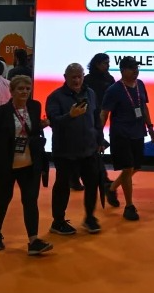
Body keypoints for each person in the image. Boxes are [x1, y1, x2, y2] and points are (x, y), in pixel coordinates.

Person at [0, 75, 53, 255]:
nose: (25, 92)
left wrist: (41, 126)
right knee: (2, 199)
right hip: (3, 165)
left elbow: (31, 131)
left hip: (29, 163)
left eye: (27, 89)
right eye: (20, 89)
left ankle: (33, 240)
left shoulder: (34, 107)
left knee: (30, 201)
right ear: (11, 91)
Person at [45, 63, 103, 235]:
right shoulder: (55, 97)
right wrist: (70, 116)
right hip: (65, 151)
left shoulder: (90, 93)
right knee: (62, 186)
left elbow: (96, 118)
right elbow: (53, 121)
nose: (77, 80)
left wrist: (100, 140)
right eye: (73, 77)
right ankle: (58, 222)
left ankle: (90, 218)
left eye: (80, 76)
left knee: (92, 184)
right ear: (65, 77)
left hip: (89, 149)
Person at [100, 56, 154, 221]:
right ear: (122, 70)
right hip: (121, 134)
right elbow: (104, 113)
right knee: (127, 167)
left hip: (138, 132)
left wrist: (150, 127)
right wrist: (99, 135)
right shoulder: (114, 90)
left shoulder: (140, 85)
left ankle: (111, 188)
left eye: (136, 68)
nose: (135, 71)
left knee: (135, 167)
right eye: (132, 68)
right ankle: (129, 206)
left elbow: (144, 106)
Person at [84, 53, 115, 192]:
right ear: (97, 64)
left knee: (97, 145)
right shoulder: (87, 80)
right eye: (105, 63)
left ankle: (101, 176)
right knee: (94, 145)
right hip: (88, 116)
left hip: (102, 115)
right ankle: (101, 176)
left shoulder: (110, 79)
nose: (108, 65)